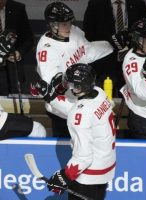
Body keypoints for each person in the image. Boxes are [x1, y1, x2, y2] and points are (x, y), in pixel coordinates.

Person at [32, 2, 127, 137]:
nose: (68, 27)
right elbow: (51, 87)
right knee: (68, 149)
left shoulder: (74, 32)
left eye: (69, 22)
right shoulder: (47, 50)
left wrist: (111, 44)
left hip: (83, 103)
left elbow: (88, 52)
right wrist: (68, 81)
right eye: (64, 24)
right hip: (64, 110)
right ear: (52, 25)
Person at [45, 63, 116, 200]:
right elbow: (79, 110)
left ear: (78, 87)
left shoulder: (79, 115)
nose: (68, 86)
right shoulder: (99, 93)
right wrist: (51, 98)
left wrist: (65, 176)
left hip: (88, 175)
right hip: (106, 165)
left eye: (70, 84)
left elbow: (84, 156)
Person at [83, 0, 146, 97]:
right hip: (104, 64)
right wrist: (110, 41)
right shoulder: (95, 3)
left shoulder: (138, 3)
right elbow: (88, 35)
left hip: (131, 63)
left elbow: (145, 32)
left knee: (131, 99)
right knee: (105, 99)